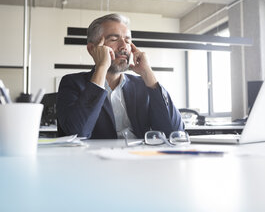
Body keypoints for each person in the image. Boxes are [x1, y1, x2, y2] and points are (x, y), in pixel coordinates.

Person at [56, 13, 184, 139]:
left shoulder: (143, 84)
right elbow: (77, 133)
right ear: (92, 49)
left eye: (128, 41)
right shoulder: (72, 83)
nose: (124, 46)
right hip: (94, 158)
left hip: (139, 157)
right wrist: (101, 67)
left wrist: (147, 73)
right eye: (113, 39)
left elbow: (175, 132)